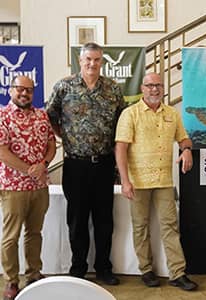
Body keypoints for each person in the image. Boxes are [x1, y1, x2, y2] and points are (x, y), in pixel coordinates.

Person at [46, 42, 126, 285]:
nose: (92, 64)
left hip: (104, 164)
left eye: (97, 60)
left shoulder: (113, 89)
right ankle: (78, 268)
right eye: (88, 59)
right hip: (75, 165)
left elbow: (122, 123)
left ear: (102, 61)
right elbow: (50, 117)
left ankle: (103, 268)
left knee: (104, 220)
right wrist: (66, 136)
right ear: (80, 61)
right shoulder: (64, 86)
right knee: (77, 219)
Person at [115, 72, 198, 291]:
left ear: (164, 88)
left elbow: (184, 137)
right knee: (140, 227)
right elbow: (120, 148)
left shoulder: (172, 113)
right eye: (150, 85)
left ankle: (177, 273)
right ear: (142, 88)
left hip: (164, 181)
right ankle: (146, 270)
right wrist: (125, 180)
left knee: (170, 225)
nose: (154, 89)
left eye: (159, 85)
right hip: (137, 182)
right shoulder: (129, 114)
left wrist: (187, 149)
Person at [0, 76, 56, 300]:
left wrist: (43, 164)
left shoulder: (42, 115)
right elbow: (2, 151)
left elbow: (52, 144)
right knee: (11, 236)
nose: (24, 94)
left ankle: (33, 274)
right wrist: (27, 169)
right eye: (20, 89)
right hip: (13, 186)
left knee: (34, 233)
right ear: (11, 90)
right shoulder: (2, 115)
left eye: (29, 91)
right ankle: (11, 280)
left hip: (40, 185)